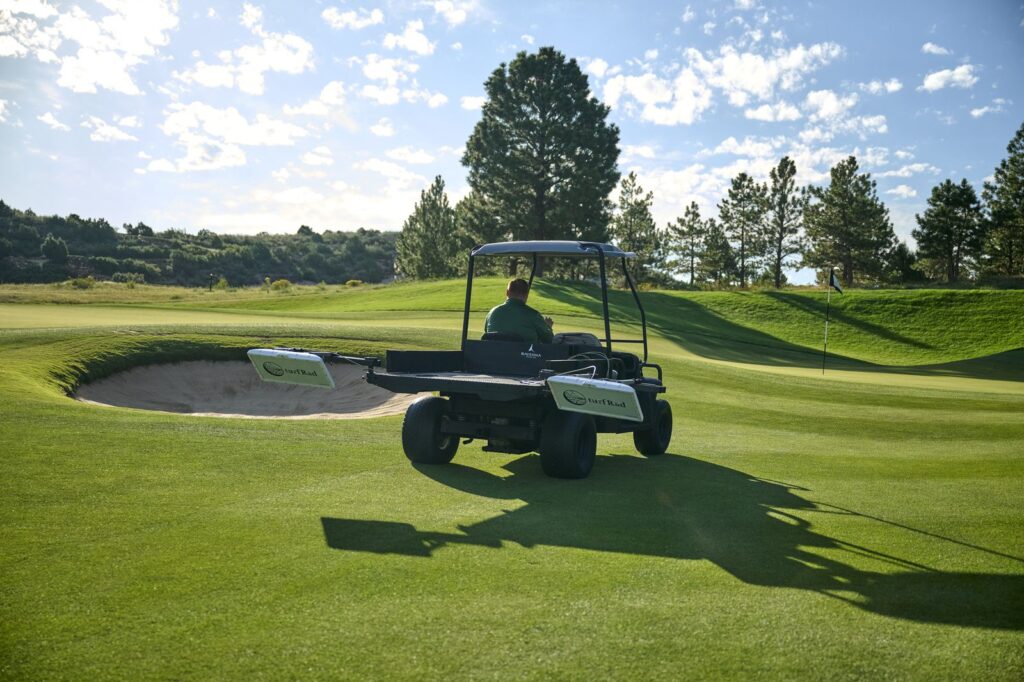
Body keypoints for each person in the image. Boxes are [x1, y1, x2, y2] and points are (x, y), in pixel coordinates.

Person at [484, 278, 554, 343]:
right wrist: (548, 327)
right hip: (521, 352)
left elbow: (487, 334)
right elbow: (549, 340)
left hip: (493, 352)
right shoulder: (533, 315)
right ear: (526, 295)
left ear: (507, 292)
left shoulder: (492, 312)